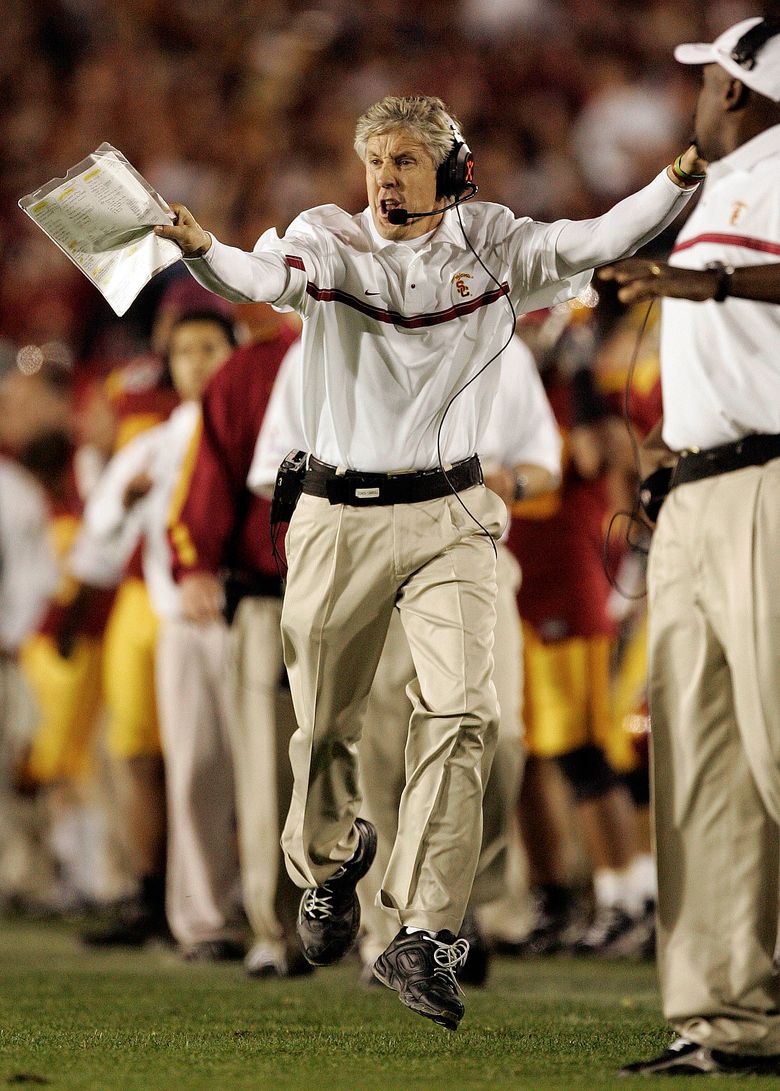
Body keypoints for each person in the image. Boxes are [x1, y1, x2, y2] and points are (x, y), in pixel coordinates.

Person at [156, 93, 700, 1030]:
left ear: (451, 169)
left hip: (452, 510)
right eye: (376, 161)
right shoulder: (330, 240)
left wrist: (682, 176)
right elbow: (257, 278)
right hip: (337, 510)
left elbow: (604, 234)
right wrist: (203, 248)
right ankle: (329, 862)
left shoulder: (493, 243)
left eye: (406, 161)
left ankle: (426, 929)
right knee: (322, 723)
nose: (386, 179)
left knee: (467, 712)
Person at [599, 16, 780, 1078]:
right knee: (703, 762)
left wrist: (700, 283)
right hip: (706, 487)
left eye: (708, 80)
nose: (698, 96)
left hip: (770, 482)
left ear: (746, 91)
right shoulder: (722, 183)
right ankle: (727, 1016)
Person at [70, 311, 242, 958]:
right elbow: (96, 547)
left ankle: (283, 908)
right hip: (177, 616)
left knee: (274, 772)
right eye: (185, 351)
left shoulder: (269, 430)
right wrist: (123, 502)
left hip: (256, 613)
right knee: (188, 769)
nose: (197, 362)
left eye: (210, 348)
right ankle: (197, 913)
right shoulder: (152, 445)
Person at [167, 320, 311, 978]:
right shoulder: (244, 371)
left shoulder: (381, 336)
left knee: (308, 767)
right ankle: (288, 926)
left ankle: (315, 927)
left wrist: (195, 555)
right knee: (276, 765)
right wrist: (195, 559)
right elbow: (212, 475)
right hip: (273, 589)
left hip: (349, 588)